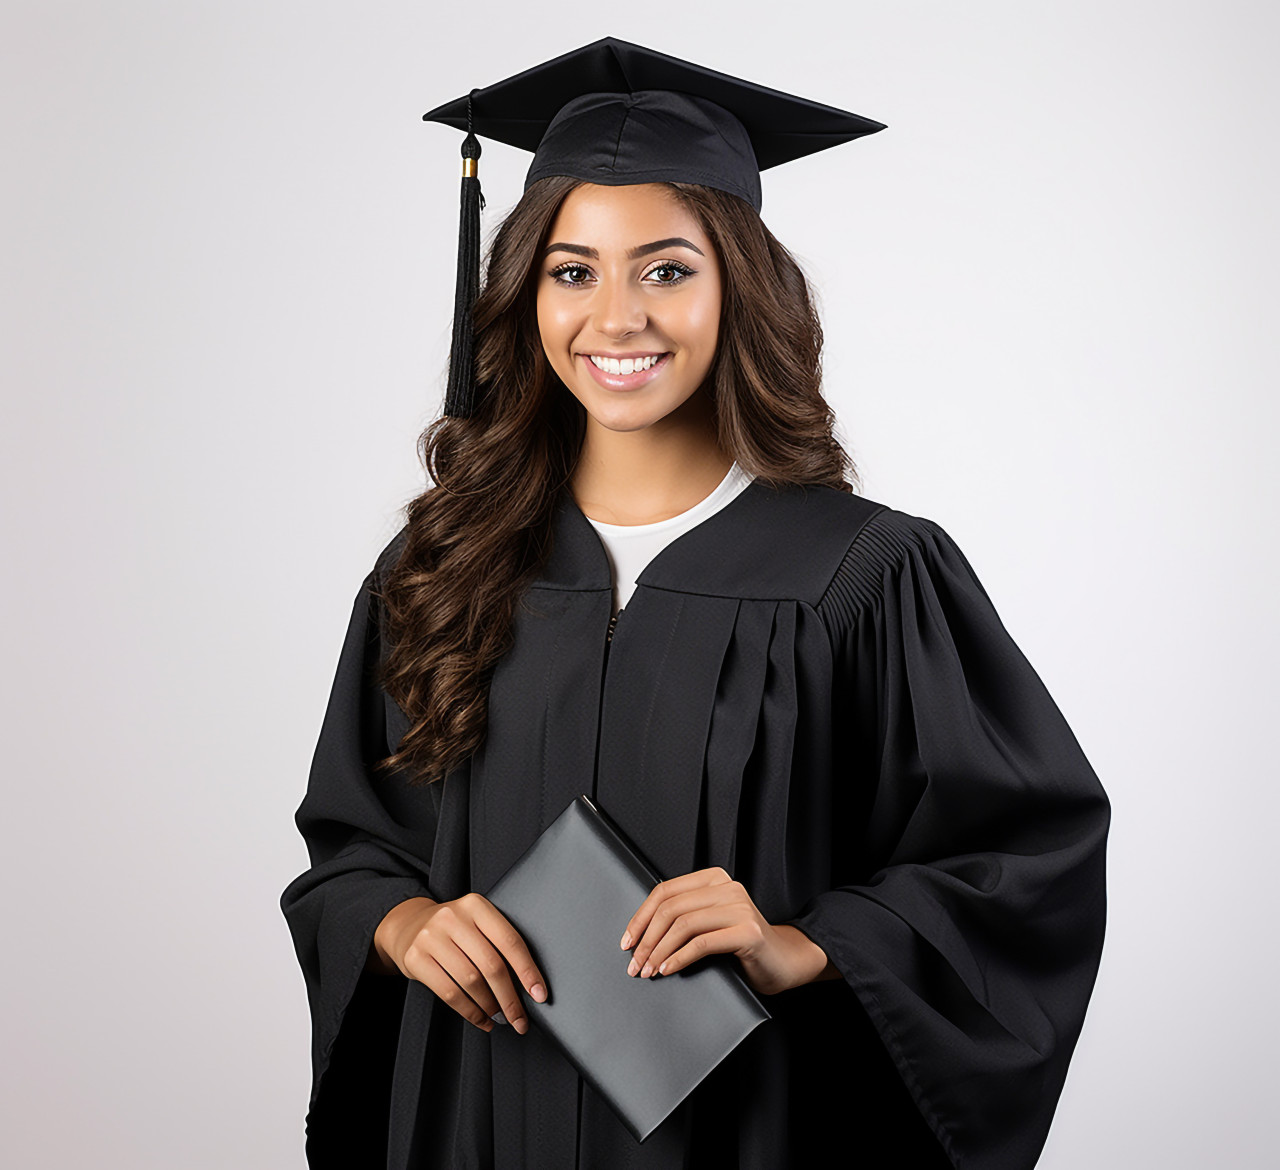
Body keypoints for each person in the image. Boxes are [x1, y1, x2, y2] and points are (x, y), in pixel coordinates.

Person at [280, 37, 1110, 1170]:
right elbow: (350, 849)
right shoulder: (439, 565)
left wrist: (801, 945)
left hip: (750, 1128)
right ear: (526, 296)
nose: (614, 316)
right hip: (478, 1116)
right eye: (573, 271)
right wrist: (404, 924)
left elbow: (1020, 861)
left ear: (736, 290)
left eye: (665, 269)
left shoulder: (863, 577)